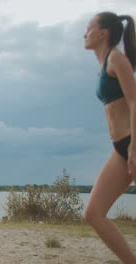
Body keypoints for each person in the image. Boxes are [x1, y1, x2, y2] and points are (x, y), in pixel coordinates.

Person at [84, 12, 136, 263]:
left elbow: (135, 101)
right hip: (121, 148)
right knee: (94, 213)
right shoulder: (105, 64)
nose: (85, 34)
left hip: (133, 143)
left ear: (103, 33)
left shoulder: (116, 59)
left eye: (89, 28)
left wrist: (135, 145)